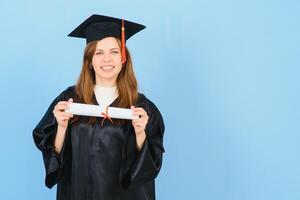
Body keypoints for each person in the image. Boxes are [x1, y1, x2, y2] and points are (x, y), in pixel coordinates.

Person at [33, 14, 165, 200]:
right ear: (90, 60)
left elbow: (150, 168)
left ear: (123, 58)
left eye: (114, 52)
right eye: (99, 53)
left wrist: (140, 134)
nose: (107, 60)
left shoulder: (143, 108)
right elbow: (55, 161)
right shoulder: (70, 99)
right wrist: (61, 127)